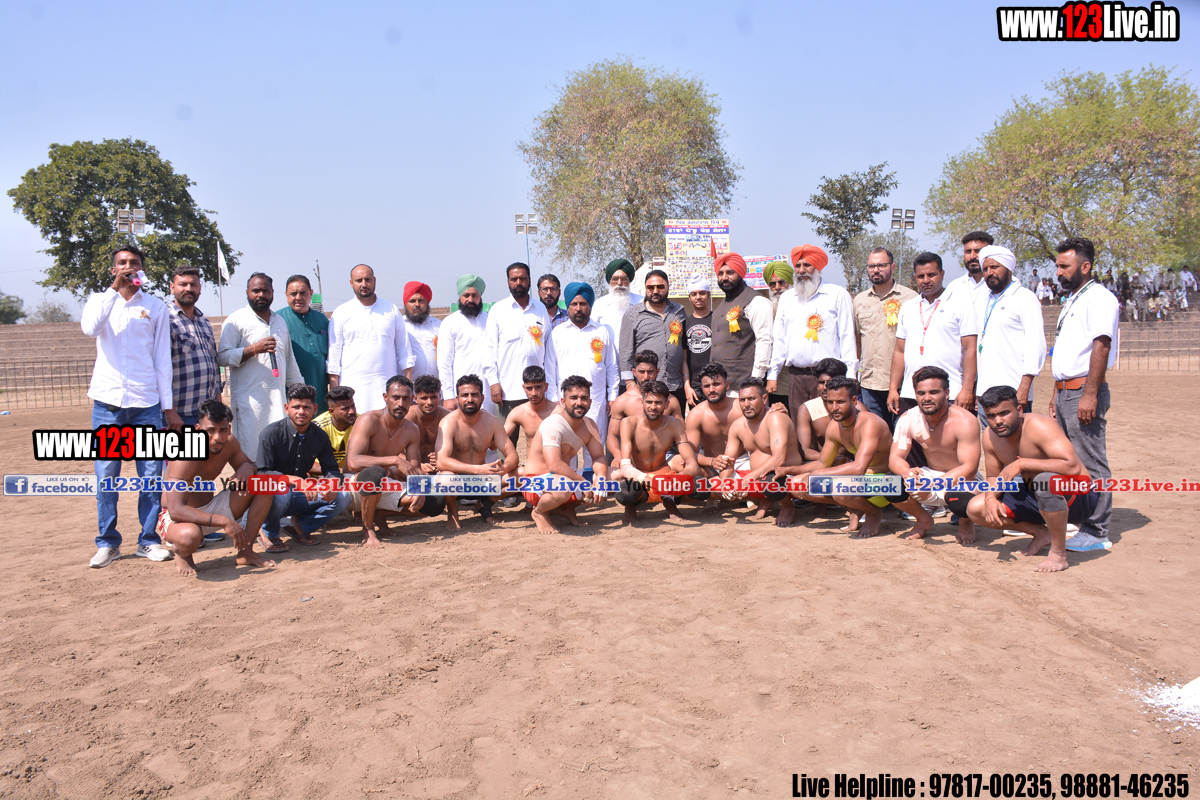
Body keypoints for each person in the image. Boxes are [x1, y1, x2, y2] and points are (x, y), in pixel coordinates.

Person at [82, 244, 176, 567]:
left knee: (150, 476)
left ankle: (148, 540)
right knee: (106, 476)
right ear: (113, 270)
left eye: (133, 262)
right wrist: (113, 290)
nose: (127, 266)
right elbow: (90, 328)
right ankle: (108, 543)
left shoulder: (154, 306)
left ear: (142, 269)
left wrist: (167, 406)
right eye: (121, 263)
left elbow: (162, 358)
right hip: (108, 404)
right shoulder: (99, 300)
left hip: (145, 403)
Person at [965, 386, 1094, 573]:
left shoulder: (1039, 426)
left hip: (1079, 497)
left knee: (1044, 481)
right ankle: (1041, 533)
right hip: (1036, 495)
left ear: (1019, 410)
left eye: (1004, 413)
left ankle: (1058, 554)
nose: (998, 421)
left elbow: (1072, 466)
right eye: (991, 416)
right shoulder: (990, 436)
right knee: (976, 508)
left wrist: (1022, 464)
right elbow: (993, 475)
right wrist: (991, 498)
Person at [1051, 237, 1119, 552]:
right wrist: (1056, 391)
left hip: (1083, 391)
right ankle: (1080, 519)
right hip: (1066, 391)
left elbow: (1101, 347)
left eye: (1064, 266)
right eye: (1057, 266)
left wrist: (1089, 394)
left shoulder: (1100, 298)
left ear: (1085, 266)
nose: (1058, 272)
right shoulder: (1074, 299)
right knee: (1070, 461)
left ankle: (1097, 531)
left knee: (1092, 462)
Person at [156, 399, 276, 576]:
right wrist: (224, 521)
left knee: (263, 483)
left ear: (229, 429)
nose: (217, 437)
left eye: (223, 430)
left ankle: (246, 552)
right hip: (178, 518)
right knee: (189, 537)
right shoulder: (184, 454)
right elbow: (176, 510)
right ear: (198, 429)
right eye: (210, 430)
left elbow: (252, 466)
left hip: (211, 507)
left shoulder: (229, 442)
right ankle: (182, 552)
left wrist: (247, 467)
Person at [767, 244, 857, 435]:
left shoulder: (837, 294)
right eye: (798, 266)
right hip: (796, 376)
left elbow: (847, 337)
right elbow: (780, 339)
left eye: (807, 265)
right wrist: (773, 374)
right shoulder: (787, 298)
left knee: (831, 428)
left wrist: (850, 376)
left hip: (828, 378)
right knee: (800, 429)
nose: (801, 270)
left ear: (818, 267)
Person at [345, 375, 443, 548]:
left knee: (436, 501)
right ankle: (368, 529)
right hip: (353, 486)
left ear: (412, 399)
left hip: (384, 485)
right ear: (385, 397)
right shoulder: (368, 420)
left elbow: (415, 469)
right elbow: (353, 462)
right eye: (395, 397)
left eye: (406, 398)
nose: (400, 403)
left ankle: (380, 515)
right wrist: (395, 460)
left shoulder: (411, 429)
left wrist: (419, 489)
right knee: (375, 472)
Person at [888, 367, 983, 544]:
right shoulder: (908, 418)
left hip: (961, 480)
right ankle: (923, 519)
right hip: (930, 474)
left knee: (962, 497)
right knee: (887, 483)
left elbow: (969, 468)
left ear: (946, 393)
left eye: (934, 392)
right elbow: (895, 458)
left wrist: (932, 484)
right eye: (921, 393)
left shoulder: (964, 421)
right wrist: (907, 473)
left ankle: (965, 521)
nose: (927, 398)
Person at [217, 273, 303, 462]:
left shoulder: (279, 322)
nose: (261, 294)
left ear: (272, 293)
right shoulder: (235, 321)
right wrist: (253, 349)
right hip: (250, 406)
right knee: (251, 457)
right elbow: (222, 357)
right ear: (247, 292)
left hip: (278, 402)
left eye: (265, 290)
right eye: (256, 290)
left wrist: (301, 392)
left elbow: (289, 362)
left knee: (278, 455)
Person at [795, 377, 894, 539]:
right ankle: (856, 507)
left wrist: (817, 474)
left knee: (840, 489)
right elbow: (822, 463)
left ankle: (873, 513)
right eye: (830, 402)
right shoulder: (835, 425)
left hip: (887, 484)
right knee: (796, 484)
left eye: (840, 402)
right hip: (860, 483)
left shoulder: (870, 423)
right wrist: (788, 470)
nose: (834, 407)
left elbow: (859, 468)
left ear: (854, 401)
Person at [256, 384, 351, 551]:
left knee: (343, 496)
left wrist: (333, 483)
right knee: (282, 494)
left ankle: (300, 526)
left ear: (315, 409)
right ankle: (268, 532)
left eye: (306, 407)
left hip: (303, 493)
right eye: (296, 407)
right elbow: (262, 473)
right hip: (274, 495)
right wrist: (296, 480)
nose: (301, 412)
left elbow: (331, 469)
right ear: (287, 408)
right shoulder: (270, 433)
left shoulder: (320, 436)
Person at [888, 252, 977, 419]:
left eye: (932, 275)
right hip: (911, 393)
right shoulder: (908, 307)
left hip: (950, 393)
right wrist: (893, 388)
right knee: (910, 435)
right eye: (920, 276)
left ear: (942, 274)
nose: (926, 280)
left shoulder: (961, 305)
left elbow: (970, 349)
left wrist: (967, 389)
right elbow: (899, 351)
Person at [522, 376, 610, 534]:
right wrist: (583, 482)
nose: (579, 402)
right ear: (563, 401)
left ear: (590, 402)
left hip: (563, 480)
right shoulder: (553, 424)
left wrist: (601, 479)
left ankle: (566, 508)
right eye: (573, 398)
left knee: (615, 476)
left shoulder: (590, 425)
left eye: (584, 398)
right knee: (565, 485)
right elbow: (554, 465)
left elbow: (598, 457)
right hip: (534, 483)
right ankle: (539, 512)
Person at [436, 375, 520, 528]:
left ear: (482, 398)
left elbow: (512, 455)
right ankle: (452, 511)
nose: (469, 399)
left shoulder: (492, 422)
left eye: (474, 395)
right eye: (465, 395)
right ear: (457, 399)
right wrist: (477, 469)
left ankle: (485, 505)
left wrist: (503, 469)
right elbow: (441, 461)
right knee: (446, 477)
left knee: (521, 474)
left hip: (483, 481)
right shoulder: (448, 422)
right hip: (458, 483)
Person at [720, 378, 806, 527]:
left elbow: (779, 459)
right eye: (742, 400)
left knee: (769, 480)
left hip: (784, 476)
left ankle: (787, 505)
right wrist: (724, 482)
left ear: (764, 398)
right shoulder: (737, 426)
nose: (747, 404)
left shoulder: (776, 418)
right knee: (712, 485)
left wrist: (749, 478)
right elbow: (728, 460)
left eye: (752, 399)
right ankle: (762, 500)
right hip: (756, 477)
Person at [974, 245, 1047, 421]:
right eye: (985, 269)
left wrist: (1024, 387)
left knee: (1017, 438)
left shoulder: (1024, 298)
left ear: (1008, 268)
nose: (989, 273)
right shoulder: (983, 300)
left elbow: (1036, 344)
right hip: (985, 393)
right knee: (989, 438)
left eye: (994, 267)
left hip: (1013, 392)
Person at [614, 380, 699, 526]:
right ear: (642, 402)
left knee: (699, 486)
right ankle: (631, 507)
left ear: (666, 404)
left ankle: (670, 503)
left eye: (658, 403)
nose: (653, 407)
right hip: (639, 477)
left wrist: (676, 479)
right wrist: (653, 482)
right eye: (649, 402)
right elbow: (626, 467)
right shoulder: (629, 423)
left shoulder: (674, 424)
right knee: (626, 492)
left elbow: (693, 465)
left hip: (664, 475)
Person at [549, 281, 619, 458]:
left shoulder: (602, 331)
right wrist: (554, 399)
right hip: (565, 401)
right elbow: (550, 368)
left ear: (590, 306)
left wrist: (612, 396)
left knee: (594, 445)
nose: (578, 308)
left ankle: (592, 476)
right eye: (574, 304)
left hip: (595, 399)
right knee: (565, 448)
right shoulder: (558, 332)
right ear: (568, 306)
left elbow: (611, 366)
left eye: (583, 304)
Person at [484, 262, 559, 429]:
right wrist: (493, 383)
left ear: (529, 280)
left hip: (536, 389)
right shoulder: (498, 310)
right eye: (514, 279)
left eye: (523, 279)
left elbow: (548, 349)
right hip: (507, 390)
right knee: (505, 438)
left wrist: (549, 384)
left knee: (540, 436)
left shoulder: (540, 308)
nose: (518, 283)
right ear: (508, 282)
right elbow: (489, 350)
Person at [328, 264, 410, 413]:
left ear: (375, 281)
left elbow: (405, 353)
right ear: (351, 283)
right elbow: (333, 359)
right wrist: (335, 397)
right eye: (359, 280)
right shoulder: (341, 313)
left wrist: (409, 391)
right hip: (352, 390)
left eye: (368, 279)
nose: (364, 284)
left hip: (386, 387)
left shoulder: (391, 309)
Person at [854, 247, 917, 429]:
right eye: (871, 266)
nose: (876, 270)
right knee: (876, 433)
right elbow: (857, 340)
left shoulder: (910, 298)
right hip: (869, 383)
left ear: (893, 267)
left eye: (881, 265)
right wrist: (855, 375)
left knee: (902, 433)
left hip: (902, 383)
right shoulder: (859, 300)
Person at [618, 269, 687, 411]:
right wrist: (630, 383)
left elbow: (684, 347)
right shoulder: (632, 314)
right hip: (646, 387)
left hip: (675, 385)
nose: (655, 291)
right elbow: (625, 351)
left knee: (675, 423)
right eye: (650, 287)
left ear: (668, 287)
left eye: (660, 287)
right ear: (646, 288)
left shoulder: (679, 311)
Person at [167, 264, 221, 429]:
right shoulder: (165, 320)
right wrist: (170, 411)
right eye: (183, 284)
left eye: (193, 284)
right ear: (172, 288)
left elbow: (214, 367)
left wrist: (219, 406)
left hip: (206, 415)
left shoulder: (204, 322)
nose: (188, 289)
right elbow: (160, 369)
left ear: (200, 289)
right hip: (179, 415)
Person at [711, 252, 773, 394]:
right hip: (720, 385)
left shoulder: (756, 301)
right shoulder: (720, 306)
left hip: (744, 386)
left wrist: (756, 379)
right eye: (720, 273)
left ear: (740, 273)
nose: (724, 277)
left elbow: (765, 340)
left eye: (730, 272)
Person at [606, 350, 683, 458]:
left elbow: (683, 434)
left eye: (650, 372)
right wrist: (618, 455)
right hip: (633, 459)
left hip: (663, 458)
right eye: (642, 372)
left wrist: (685, 455)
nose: (646, 377)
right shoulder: (623, 401)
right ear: (634, 372)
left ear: (657, 371)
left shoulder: (671, 401)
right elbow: (612, 436)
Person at [437, 274, 493, 413]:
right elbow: (444, 362)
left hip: (489, 391)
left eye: (475, 295)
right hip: (462, 392)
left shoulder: (491, 320)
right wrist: (448, 396)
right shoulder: (450, 322)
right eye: (466, 295)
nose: (470, 299)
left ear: (480, 297)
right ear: (460, 297)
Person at [278, 274, 329, 414]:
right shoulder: (278, 320)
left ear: (311, 293)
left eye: (303, 293)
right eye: (293, 294)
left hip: (319, 396)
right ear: (286, 295)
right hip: (292, 399)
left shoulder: (322, 320)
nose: (298, 297)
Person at [796, 358, 863, 464]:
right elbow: (804, 450)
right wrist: (832, 459)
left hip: (855, 465)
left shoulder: (858, 408)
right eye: (821, 382)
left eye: (830, 382)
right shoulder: (807, 409)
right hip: (824, 464)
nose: (825, 387)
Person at [684, 363, 743, 481]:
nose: (711, 390)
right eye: (707, 386)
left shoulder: (741, 407)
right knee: (688, 471)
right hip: (712, 466)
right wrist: (712, 461)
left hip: (741, 462)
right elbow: (690, 454)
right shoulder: (696, 414)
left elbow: (765, 414)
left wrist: (777, 407)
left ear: (727, 385)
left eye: (716, 384)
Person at [763, 260, 794, 409]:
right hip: (775, 378)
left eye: (782, 282)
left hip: (798, 375)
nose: (777, 287)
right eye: (772, 284)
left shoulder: (801, 306)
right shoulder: (767, 309)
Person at [405, 375, 451, 475]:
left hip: (441, 469)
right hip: (411, 468)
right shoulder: (407, 418)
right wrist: (417, 465)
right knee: (393, 470)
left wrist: (443, 458)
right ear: (415, 399)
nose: (429, 402)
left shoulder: (448, 418)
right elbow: (393, 451)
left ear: (439, 397)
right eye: (424, 398)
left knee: (448, 475)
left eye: (433, 397)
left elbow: (461, 450)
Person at [681, 273, 714, 408]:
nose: (698, 297)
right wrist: (687, 386)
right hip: (695, 385)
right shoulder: (685, 323)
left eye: (702, 293)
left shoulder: (718, 320)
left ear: (709, 295)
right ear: (689, 298)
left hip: (715, 382)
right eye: (694, 294)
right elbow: (684, 359)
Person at [503, 366, 557, 445]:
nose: (534, 393)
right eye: (529, 388)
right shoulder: (518, 412)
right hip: (531, 454)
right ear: (524, 388)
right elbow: (496, 442)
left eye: (538, 387)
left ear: (546, 387)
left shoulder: (558, 413)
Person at [592, 258, 642, 342]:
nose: (619, 283)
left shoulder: (641, 302)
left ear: (629, 280)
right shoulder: (599, 304)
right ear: (610, 281)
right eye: (615, 279)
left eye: (624, 279)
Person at [312, 385, 357, 471]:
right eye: (345, 408)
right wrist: (340, 471)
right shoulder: (317, 427)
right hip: (323, 474)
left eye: (353, 406)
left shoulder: (361, 422)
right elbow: (308, 464)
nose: (351, 411)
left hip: (352, 473)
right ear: (332, 411)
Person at [402, 281, 441, 381]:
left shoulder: (439, 326)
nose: (417, 305)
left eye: (421, 301)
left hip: (436, 387)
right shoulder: (400, 325)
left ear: (427, 304)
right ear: (405, 304)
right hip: (408, 386)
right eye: (412, 301)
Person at [945, 231, 993, 303]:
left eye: (978, 251)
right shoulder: (954, 287)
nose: (972, 256)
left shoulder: (998, 284)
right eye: (968, 251)